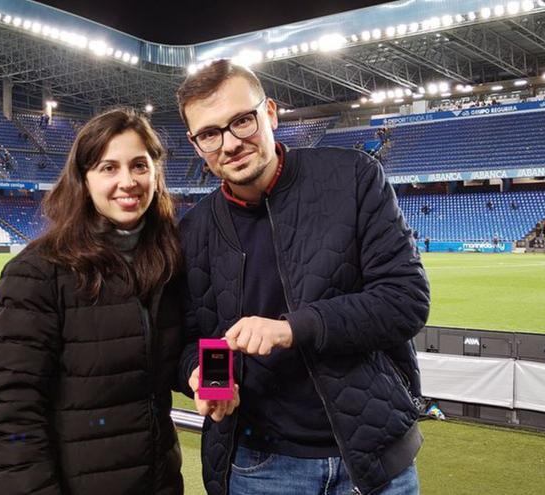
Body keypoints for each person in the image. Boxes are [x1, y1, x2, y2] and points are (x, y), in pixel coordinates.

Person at [175, 60, 429, 495]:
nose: (231, 143)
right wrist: (203, 376)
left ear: (270, 113)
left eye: (242, 121)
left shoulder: (352, 176)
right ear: (196, 144)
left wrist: (293, 328)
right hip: (259, 467)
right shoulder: (193, 231)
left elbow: (405, 300)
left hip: (371, 460)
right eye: (210, 134)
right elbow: (192, 338)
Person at [0, 108, 185, 494]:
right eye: (109, 168)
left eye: (139, 166)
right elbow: (10, 415)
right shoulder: (38, 272)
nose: (128, 181)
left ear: (156, 175)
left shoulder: (166, 260)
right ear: (84, 179)